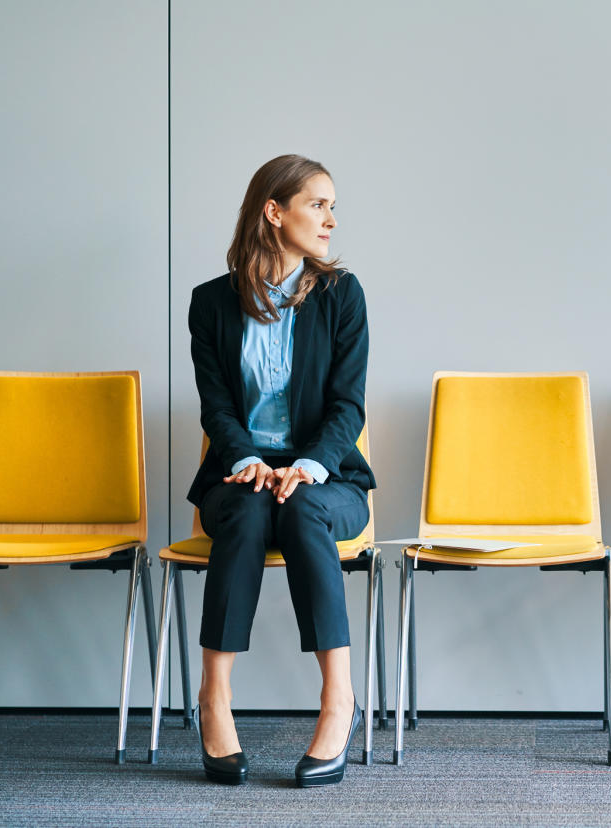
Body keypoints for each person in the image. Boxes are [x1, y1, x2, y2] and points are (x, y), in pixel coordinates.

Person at [186, 154, 375, 787]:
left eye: (331, 206)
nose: (331, 218)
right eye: (318, 204)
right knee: (245, 508)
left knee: (300, 507)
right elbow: (215, 405)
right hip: (239, 476)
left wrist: (309, 466)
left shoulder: (341, 296)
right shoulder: (211, 304)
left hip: (328, 479)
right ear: (275, 211)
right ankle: (214, 698)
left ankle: (339, 702)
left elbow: (348, 405)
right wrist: (245, 461)